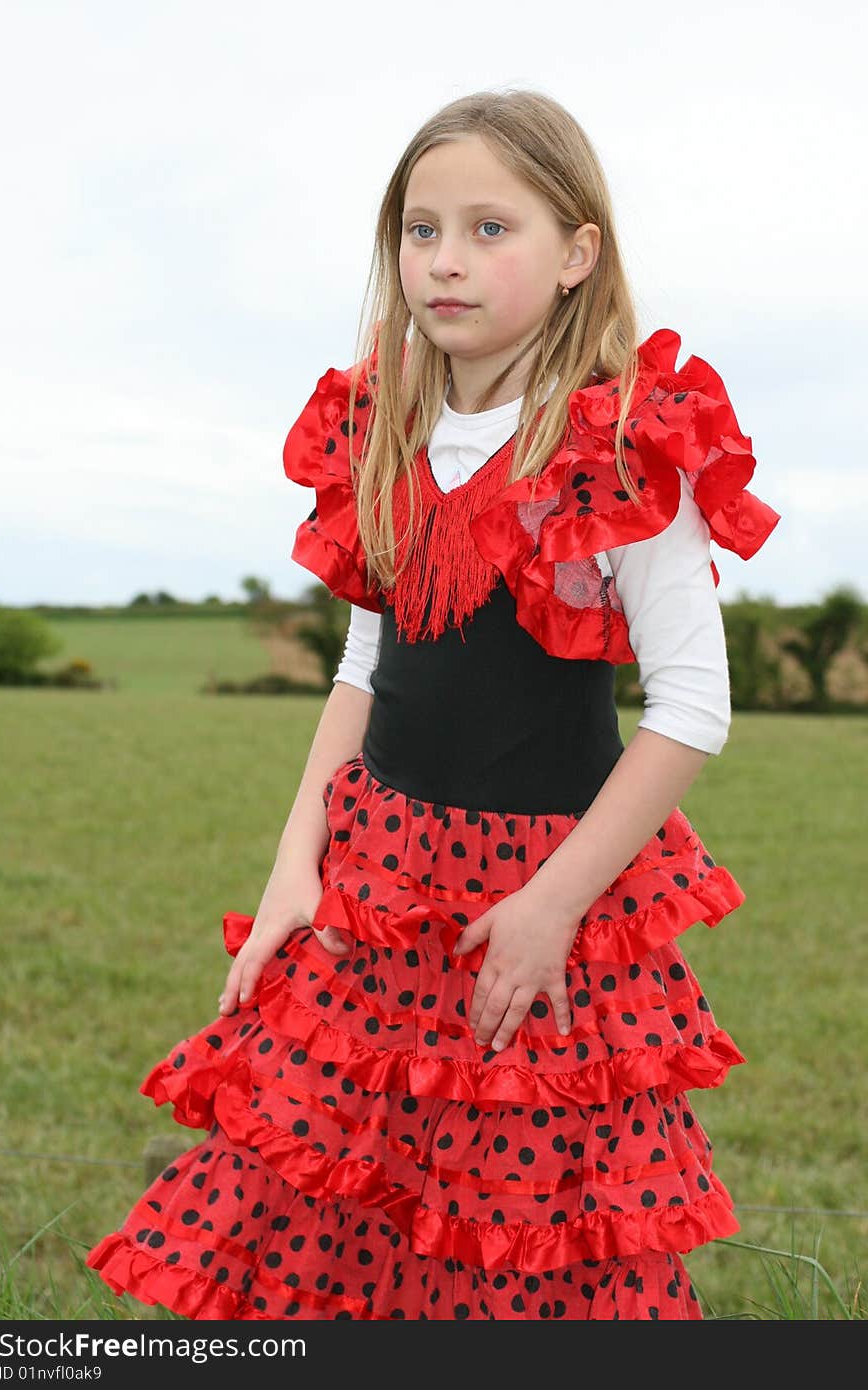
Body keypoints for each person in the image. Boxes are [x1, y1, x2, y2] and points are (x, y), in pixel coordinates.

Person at [86, 88, 781, 1321]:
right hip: (375, 886)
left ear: (578, 255)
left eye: (489, 229)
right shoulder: (382, 427)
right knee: (331, 1193)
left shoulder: (620, 447)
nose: (445, 260)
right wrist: (294, 867)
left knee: (511, 1228)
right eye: (420, 230)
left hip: (536, 897)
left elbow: (691, 707)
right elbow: (365, 668)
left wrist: (550, 909)